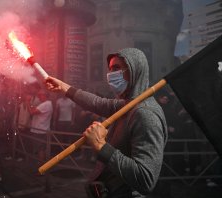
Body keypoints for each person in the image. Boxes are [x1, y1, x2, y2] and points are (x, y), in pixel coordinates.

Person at [45, 48, 168, 197]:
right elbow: (97, 103)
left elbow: (146, 179)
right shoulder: (127, 104)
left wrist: (100, 146)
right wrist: (64, 88)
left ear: (135, 70)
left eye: (117, 68)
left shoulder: (145, 114)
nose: (111, 75)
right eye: (110, 69)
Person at [27, 89, 53, 163]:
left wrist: (28, 102)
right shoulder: (47, 104)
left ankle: (41, 168)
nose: (39, 97)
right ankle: (41, 164)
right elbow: (34, 109)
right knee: (41, 148)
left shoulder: (46, 104)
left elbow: (31, 112)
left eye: (40, 95)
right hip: (42, 130)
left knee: (40, 149)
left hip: (40, 130)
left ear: (44, 96)